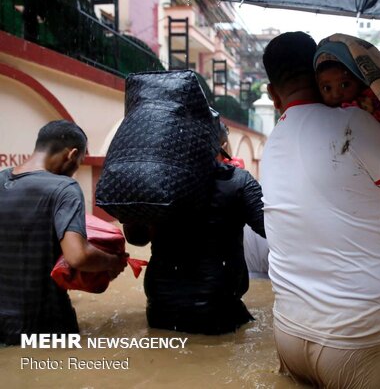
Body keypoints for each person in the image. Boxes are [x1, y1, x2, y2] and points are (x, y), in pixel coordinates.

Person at [261, 31, 380, 387]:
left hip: (288, 332)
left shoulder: (271, 143)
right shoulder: (356, 126)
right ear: (319, 75)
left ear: (272, 95)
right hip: (354, 340)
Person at [123, 120, 265, 335]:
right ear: (224, 146)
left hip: (161, 306)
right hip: (219, 310)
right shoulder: (238, 181)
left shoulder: (157, 180)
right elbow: (272, 231)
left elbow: (136, 238)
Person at [0, 120, 127, 345]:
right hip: (47, 325)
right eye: (79, 163)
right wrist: (112, 261)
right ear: (72, 154)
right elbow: (78, 256)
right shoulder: (64, 189)